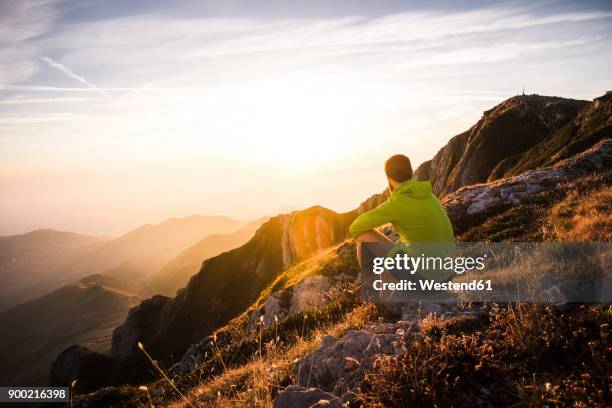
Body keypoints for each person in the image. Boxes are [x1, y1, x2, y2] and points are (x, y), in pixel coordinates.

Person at [349, 154, 455, 269]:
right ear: (411, 171)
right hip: (446, 273)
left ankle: (369, 284)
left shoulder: (397, 204)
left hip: (427, 277)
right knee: (395, 259)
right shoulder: (428, 195)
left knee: (362, 237)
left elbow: (355, 227)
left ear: (388, 178)